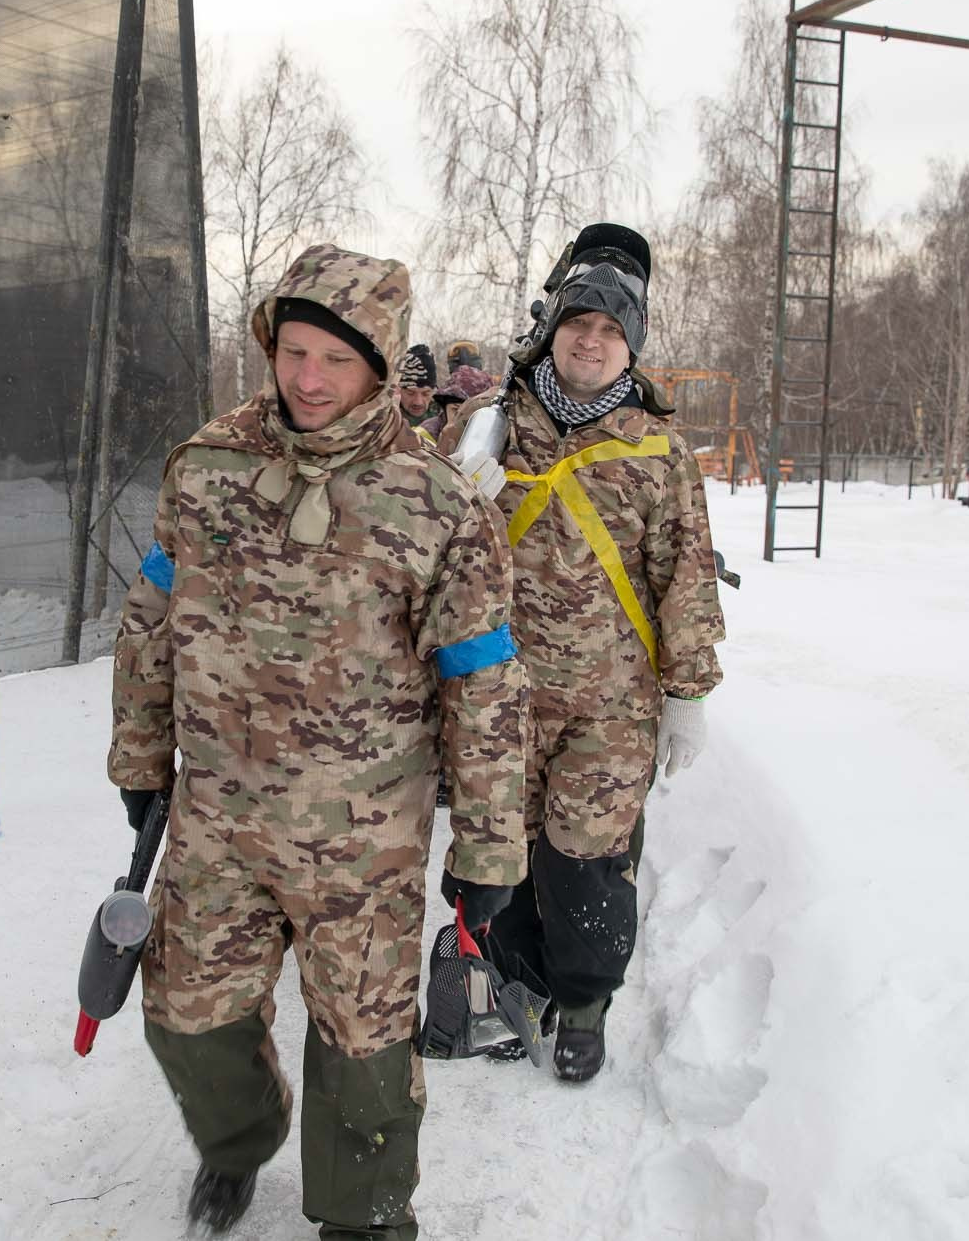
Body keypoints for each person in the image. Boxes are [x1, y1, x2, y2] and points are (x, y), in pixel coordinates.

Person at [109, 244, 528, 1239]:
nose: (306, 378)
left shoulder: (435, 503)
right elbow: (150, 617)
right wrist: (137, 760)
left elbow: (482, 681)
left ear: (380, 366)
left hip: (364, 834)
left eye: (333, 360)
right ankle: (239, 1139)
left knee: (362, 1047)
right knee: (186, 1019)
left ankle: (365, 1214)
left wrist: (488, 848)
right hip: (216, 814)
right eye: (292, 350)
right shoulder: (209, 467)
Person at [441, 223, 725, 1083]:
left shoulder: (658, 450)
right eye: (578, 324)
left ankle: (587, 998)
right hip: (501, 696)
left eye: (610, 330)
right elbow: (420, 547)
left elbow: (688, 571)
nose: (591, 341)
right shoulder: (486, 427)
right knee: (506, 849)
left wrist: (690, 691)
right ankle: (514, 982)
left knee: (588, 859)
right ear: (553, 329)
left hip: (612, 706)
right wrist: (460, 490)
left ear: (630, 346)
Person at [429, 364, 499, 440]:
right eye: (455, 410)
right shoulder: (427, 435)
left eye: (471, 412)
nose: (461, 418)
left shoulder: (494, 437)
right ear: (445, 408)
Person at [394, 343, 441, 436]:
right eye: (410, 393)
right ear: (398, 390)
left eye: (425, 393)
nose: (418, 402)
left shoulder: (446, 416)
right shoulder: (385, 418)